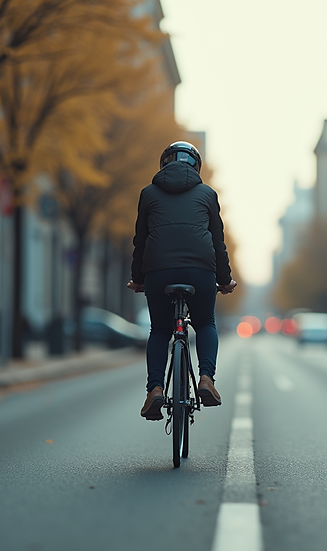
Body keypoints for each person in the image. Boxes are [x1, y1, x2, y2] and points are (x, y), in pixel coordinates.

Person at [127, 141, 237, 421]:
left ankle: (154, 389)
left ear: (164, 164)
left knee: (160, 330)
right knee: (205, 323)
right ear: (196, 166)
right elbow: (218, 243)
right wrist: (225, 280)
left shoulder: (148, 194)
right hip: (200, 271)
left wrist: (138, 279)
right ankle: (206, 379)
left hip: (158, 271)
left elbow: (141, 241)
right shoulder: (208, 194)